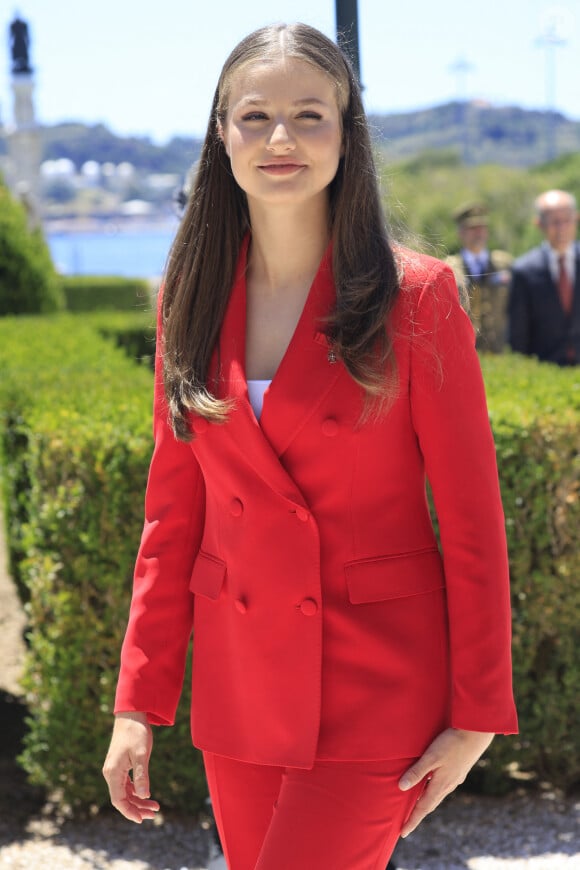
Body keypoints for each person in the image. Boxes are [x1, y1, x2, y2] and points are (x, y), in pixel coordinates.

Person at [102, 23, 518, 870]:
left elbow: (474, 523)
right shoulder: (187, 297)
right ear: (220, 135)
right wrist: (137, 704)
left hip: (376, 689)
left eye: (308, 115)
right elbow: (172, 521)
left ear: (347, 132)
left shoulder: (418, 297)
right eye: (253, 117)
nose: (280, 138)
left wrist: (478, 716)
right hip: (242, 686)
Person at [509, 189, 580, 366]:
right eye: (554, 222)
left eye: (567, 220)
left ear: (576, 219)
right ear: (539, 224)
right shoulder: (523, 270)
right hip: (545, 372)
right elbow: (518, 335)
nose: (561, 228)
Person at [445, 203, 513, 353]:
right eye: (472, 228)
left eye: (482, 228)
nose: (479, 233)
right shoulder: (449, 269)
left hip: (501, 351)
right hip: (463, 351)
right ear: (460, 233)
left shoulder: (505, 264)